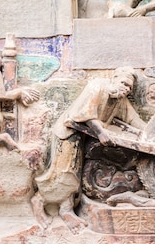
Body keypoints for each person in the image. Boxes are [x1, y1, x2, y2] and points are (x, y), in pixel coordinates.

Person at [30, 67, 145, 234]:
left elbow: (134, 120)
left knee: (75, 176)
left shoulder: (119, 98)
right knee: (64, 174)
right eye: (124, 83)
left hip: (83, 137)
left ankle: (66, 210)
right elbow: (85, 113)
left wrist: (152, 131)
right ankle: (39, 202)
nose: (126, 89)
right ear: (114, 78)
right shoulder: (98, 85)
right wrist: (101, 132)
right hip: (68, 133)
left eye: (129, 87)